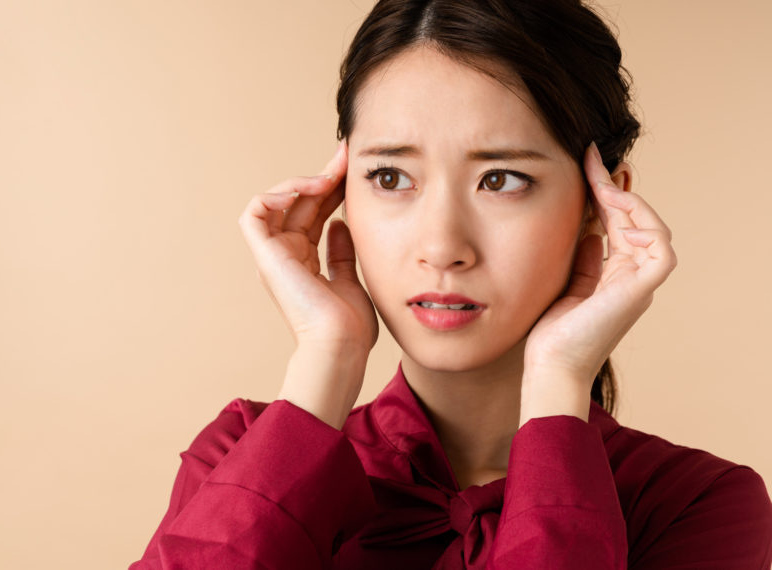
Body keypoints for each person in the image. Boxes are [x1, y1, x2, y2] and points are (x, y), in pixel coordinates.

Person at [131, 0, 772, 568]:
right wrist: (328, 356)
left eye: (501, 180)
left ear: (600, 206)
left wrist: (559, 380)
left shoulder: (696, 503)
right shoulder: (241, 457)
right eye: (389, 178)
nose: (442, 247)